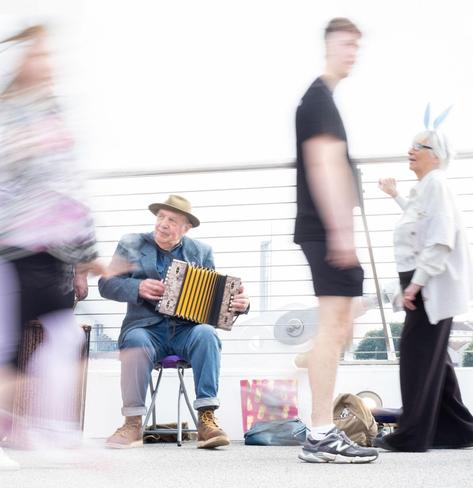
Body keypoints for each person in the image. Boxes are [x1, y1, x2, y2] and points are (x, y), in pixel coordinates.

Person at [0, 23, 122, 469]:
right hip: (10, 248)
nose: (48, 65)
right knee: (7, 347)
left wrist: (87, 252)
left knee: (66, 336)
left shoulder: (53, 113)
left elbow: (70, 186)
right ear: (25, 61)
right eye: (41, 56)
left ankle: (57, 431)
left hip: (50, 249)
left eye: (51, 57)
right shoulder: (8, 113)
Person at [99, 195, 250, 449]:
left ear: (185, 227)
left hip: (185, 331)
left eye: (172, 220)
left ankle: (206, 419)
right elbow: (106, 285)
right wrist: (138, 286)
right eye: (160, 217)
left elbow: (215, 301)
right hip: (146, 329)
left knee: (206, 334)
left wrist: (241, 306)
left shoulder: (201, 252)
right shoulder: (131, 244)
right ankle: (133, 422)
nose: (163, 224)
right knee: (135, 341)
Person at [293, 17, 378, 463]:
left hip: (326, 230)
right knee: (333, 327)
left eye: (356, 47)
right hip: (326, 231)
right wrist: (341, 235)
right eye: (346, 45)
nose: (352, 54)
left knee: (341, 323)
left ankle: (314, 365)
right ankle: (320, 432)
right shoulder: (318, 100)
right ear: (329, 46)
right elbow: (324, 165)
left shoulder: (323, 100)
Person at [376, 128, 473, 451]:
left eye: (420, 146)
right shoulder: (428, 186)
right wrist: (396, 196)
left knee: (418, 358)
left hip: (428, 286)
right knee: (435, 360)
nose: (411, 150)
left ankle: (412, 435)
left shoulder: (437, 184)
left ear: (437, 155)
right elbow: (419, 222)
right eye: (412, 144)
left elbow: (440, 237)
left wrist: (415, 285)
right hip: (423, 283)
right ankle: (460, 430)